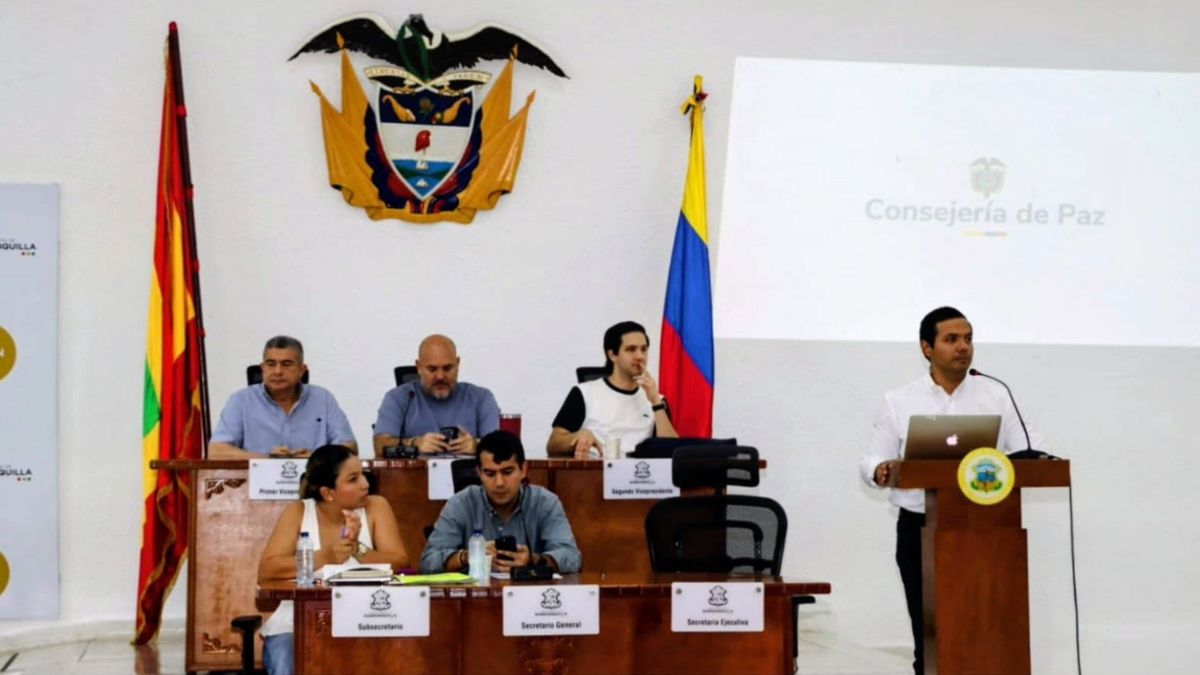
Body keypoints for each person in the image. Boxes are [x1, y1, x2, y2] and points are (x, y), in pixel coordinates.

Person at [859, 306, 1046, 675]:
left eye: (968, 339)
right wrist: (879, 471)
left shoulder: (997, 395)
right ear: (927, 348)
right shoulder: (899, 400)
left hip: (985, 529)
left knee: (987, 633)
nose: (963, 347)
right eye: (952, 339)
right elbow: (872, 460)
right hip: (919, 529)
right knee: (931, 637)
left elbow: (1031, 449)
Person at [257, 444, 409, 675]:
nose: (365, 484)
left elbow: (399, 563)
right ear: (328, 493)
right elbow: (267, 570)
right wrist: (323, 557)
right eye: (353, 479)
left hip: (366, 619)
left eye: (363, 475)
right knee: (284, 662)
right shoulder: (297, 512)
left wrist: (357, 549)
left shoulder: (377, 506)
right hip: (297, 622)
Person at [420, 430, 581, 575]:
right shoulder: (461, 503)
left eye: (507, 472)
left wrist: (534, 560)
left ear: (523, 470)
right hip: (477, 595)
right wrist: (467, 556)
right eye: (490, 474)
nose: (499, 483)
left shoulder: (545, 502)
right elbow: (428, 561)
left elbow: (572, 557)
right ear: (479, 473)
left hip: (528, 595)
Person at [209, 336, 356, 459]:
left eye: (286, 364)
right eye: (271, 364)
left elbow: (349, 447)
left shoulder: (323, 399)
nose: (278, 371)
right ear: (262, 368)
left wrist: (316, 459)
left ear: (302, 370)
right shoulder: (241, 400)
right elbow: (216, 452)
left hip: (313, 480)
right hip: (257, 482)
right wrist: (266, 459)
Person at [547, 321, 677, 458]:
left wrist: (655, 402)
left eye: (644, 349)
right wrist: (577, 437)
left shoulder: (657, 400)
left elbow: (672, 451)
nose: (640, 356)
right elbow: (553, 444)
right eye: (631, 349)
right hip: (597, 468)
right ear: (612, 355)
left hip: (639, 470)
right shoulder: (585, 393)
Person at [372, 334, 500, 458]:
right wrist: (414, 444)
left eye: (447, 368)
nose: (440, 377)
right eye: (432, 369)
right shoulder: (398, 398)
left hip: (467, 473)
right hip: (417, 472)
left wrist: (477, 446)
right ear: (418, 367)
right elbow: (380, 447)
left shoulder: (481, 398)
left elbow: (501, 447)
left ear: (457, 364)